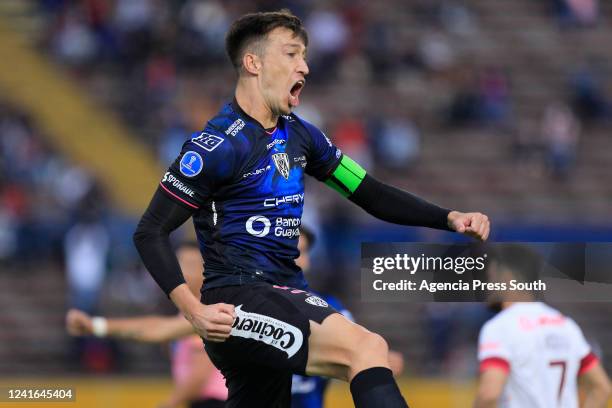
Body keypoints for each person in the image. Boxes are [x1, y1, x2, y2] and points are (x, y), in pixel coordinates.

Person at [133, 9, 490, 408]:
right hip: (241, 296)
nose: (303, 65)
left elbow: (369, 193)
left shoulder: (302, 136)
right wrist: (192, 310)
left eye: (304, 55)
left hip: (281, 293)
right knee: (367, 348)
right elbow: (150, 231)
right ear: (253, 63)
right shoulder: (217, 145)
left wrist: (447, 218)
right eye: (290, 54)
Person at [66, 242, 227, 408]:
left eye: (191, 265)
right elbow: (157, 328)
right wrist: (95, 326)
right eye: (178, 264)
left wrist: (170, 403)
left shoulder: (210, 311)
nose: (182, 272)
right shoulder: (191, 312)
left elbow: (199, 375)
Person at [474, 245, 611, 408]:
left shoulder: (499, 327)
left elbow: (489, 394)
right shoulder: (566, 325)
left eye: (491, 276)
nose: (486, 284)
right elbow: (602, 388)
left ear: (508, 277)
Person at [290, 226, 404, 408]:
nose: (295, 258)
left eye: (301, 252)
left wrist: (379, 358)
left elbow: (358, 348)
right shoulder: (242, 302)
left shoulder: (330, 307)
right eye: (287, 250)